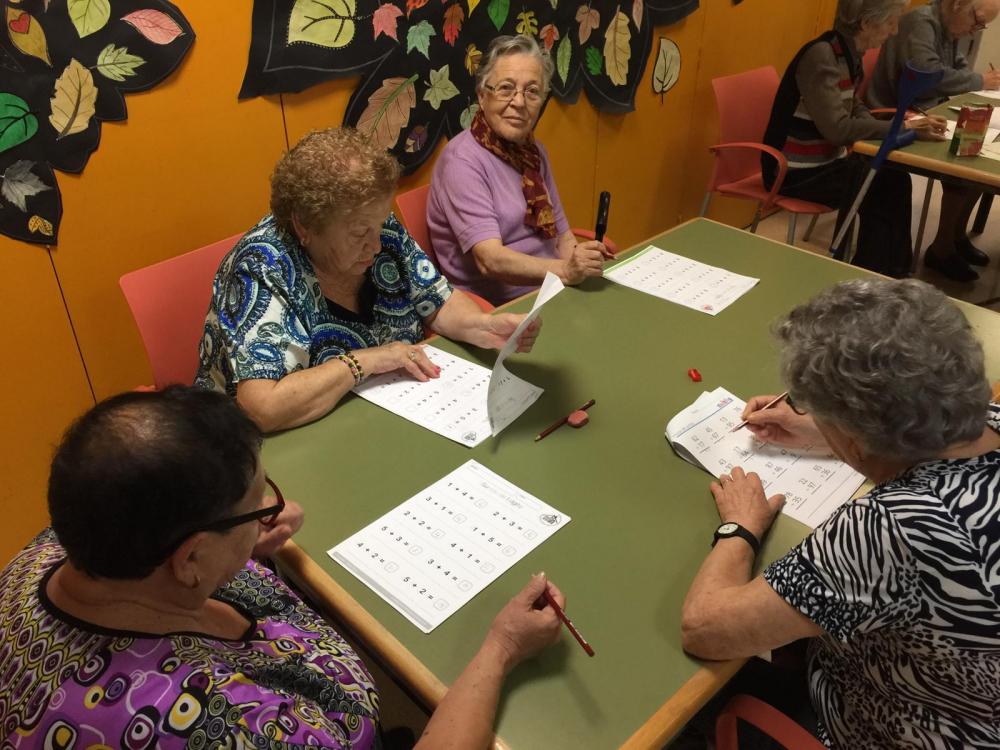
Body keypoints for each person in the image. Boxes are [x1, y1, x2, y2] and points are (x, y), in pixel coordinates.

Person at [0, 387, 567, 748]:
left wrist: (240, 543)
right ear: (191, 557)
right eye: (257, 504)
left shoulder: (64, 545)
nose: (276, 509)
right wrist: (501, 649)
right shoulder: (211, 725)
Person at [680, 278, 1000, 748]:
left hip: (891, 726)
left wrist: (740, 528)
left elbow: (704, 629)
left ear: (856, 437)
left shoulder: (895, 528)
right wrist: (825, 433)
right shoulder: (988, 421)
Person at [195, 128, 541, 432]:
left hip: (381, 416)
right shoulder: (263, 266)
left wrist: (482, 326)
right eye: (360, 234)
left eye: (379, 225)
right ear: (305, 226)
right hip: (260, 450)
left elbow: (437, 301)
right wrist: (367, 360)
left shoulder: (376, 225)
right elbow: (262, 408)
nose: (376, 245)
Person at [761, 0, 947, 278]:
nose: (895, 31)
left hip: (826, 163)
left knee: (893, 178)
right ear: (866, 23)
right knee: (880, 185)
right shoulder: (822, 56)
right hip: (795, 173)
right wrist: (900, 128)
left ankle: (891, 274)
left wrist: (895, 125)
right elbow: (837, 129)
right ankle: (873, 277)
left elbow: (853, 104)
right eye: (891, 22)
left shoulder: (848, 51)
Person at [426, 34, 613, 306]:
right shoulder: (461, 162)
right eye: (505, 88)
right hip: (499, 308)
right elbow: (490, 261)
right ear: (482, 96)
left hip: (551, 288)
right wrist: (566, 270)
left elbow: (563, 237)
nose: (519, 102)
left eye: (532, 91)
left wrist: (582, 262)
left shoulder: (533, 152)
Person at [867, 0, 1000, 282]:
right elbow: (930, 78)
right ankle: (942, 249)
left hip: (927, 108)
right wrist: (980, 81)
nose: (975, 30)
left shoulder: (947, 24)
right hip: (898, 114)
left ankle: (955, 237)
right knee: (967, 156)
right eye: (977, 20)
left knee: (975, 146)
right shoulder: (921, 22)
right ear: (958, 4)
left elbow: (957, 65)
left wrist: (976, 78)